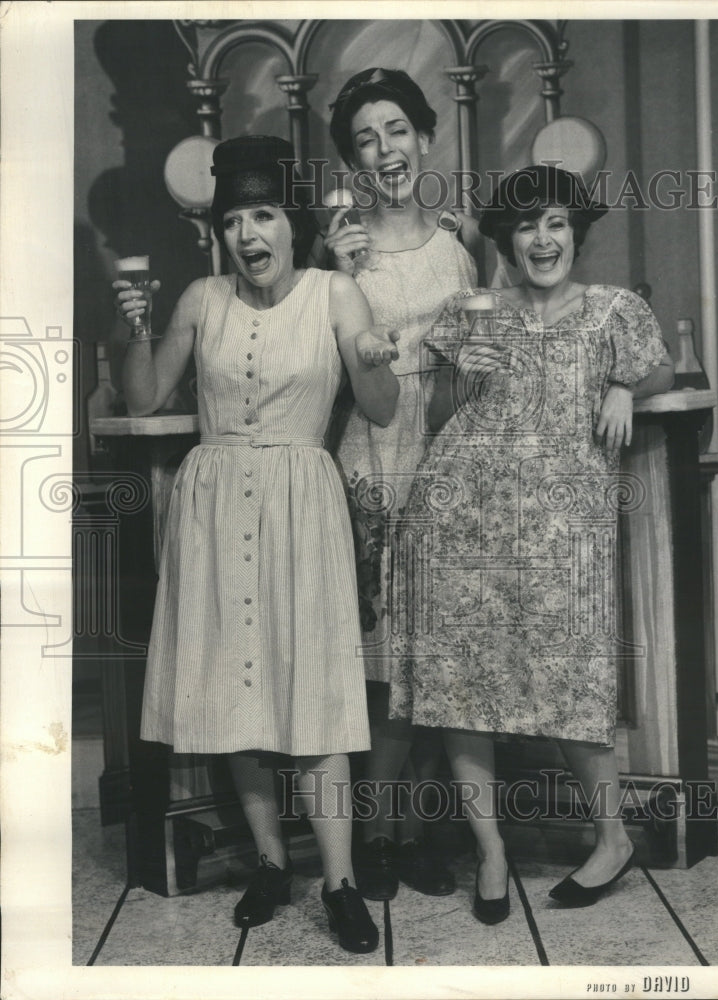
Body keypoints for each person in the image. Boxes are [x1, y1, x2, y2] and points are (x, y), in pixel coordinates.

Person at [115, 135, 401, 954]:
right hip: (211, 509)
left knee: (313, 700)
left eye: (264, 215)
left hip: (301, 506)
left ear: (292, 222)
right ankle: (271, 863)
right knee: (235, 693)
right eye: (234, 219)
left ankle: (340, 881)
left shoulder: (334, 292)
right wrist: (136, 327)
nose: (248, 235)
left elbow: (378, 407)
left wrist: (376, 357)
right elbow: (145, 397)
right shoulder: (202, 299)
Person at [388, 164, 675, 920]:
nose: (542, 239)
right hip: (460, 519)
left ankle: (610, 839)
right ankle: (489, 852)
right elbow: (437, 409)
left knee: (573, 688)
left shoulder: (613, 310)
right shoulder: (471, 309)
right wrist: (462, 379)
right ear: (506, 239)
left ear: (575, 231)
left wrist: (620, 386)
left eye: (554, 223)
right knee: (461, 692)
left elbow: (661, 370)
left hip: (561, 530)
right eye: (525, 225)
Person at [320, 67, 479, 902]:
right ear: (352, 160)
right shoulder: (339, 249)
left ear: (424, 139)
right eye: (364, 140)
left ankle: (412, 830)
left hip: (444, 457)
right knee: (382, 663)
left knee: (435, 659)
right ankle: (376, 835)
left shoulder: (458, 247)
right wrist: (326, 276)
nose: (383, 151)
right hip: (368, 460)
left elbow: (484, 356)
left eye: (395, 131)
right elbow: (316, 369)